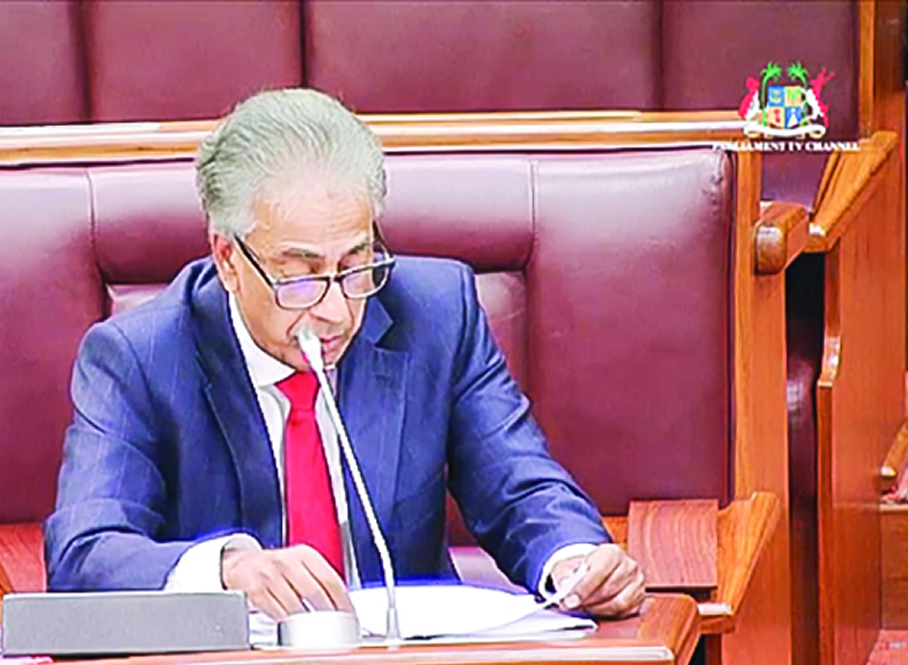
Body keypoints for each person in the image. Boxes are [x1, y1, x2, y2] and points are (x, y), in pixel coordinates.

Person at [44, 88, 645, 620]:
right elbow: (83, 554)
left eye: (356, 265)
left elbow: (518, 486)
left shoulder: (435, 315)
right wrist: (226, 571)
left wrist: (573, 561)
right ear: (227, 259)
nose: (335, 310)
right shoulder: (140, 358)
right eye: (300, 277)